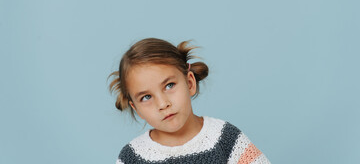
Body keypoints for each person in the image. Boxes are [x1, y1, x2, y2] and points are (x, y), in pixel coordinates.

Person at [109, 38, 271, 164]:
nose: (163, 104)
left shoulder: (224, 138)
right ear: (136, 109)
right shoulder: (132, 157)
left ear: (189, 83)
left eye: (169, 85)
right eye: (146, 97)